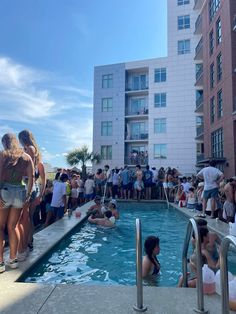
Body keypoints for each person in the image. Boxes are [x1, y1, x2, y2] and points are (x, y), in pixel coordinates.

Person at [0, 133, 34, 272]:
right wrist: (28, 195)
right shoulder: (26, 157)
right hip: (20, 192)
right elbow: (31, 177)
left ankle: (1, 262)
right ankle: (13, 260)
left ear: (4, 142)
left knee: (0, 227)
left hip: (4, 191)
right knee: (13, 226)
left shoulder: (2, 155)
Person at [17, 130, 46, 255]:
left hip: (27, 187)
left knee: (24, 218)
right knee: (29, 218)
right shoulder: (39, 160)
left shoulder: (28, 149)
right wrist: (41, 194)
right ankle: (29, 241)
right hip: (34, 188)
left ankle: (24, 243)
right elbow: (43, 179)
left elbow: (26, 172)